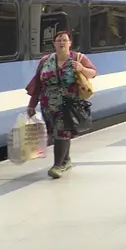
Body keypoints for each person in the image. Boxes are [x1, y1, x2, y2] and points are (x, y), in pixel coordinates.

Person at [24, 30, 97, 179]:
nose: (62, 43)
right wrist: (32, 104)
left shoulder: (78, 58)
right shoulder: (45, 61)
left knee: (62, 132)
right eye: (59, 40)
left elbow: (93, 73)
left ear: (70, 43)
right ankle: (66, 160)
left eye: (65, 40)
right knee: (56, 133)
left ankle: (57, 166)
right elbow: (38, 83)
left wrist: (82, 69)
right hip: (47, 105)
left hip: (68, 104)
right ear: (54, 44)